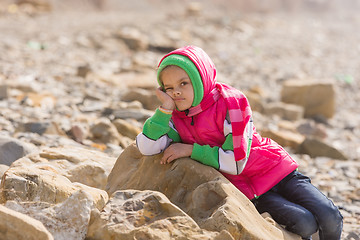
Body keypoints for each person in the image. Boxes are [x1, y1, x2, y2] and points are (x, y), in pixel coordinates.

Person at [136, 45, 343, 240]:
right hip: (250, 192)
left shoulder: (231, 103)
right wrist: (164, 110)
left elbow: (235, 162)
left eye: (183, 83)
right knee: (305, 223)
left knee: (329, 216)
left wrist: (191, 149)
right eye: (169, 88)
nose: (176, 92)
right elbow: (146, 147)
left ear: (201, 79)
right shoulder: (173, 117)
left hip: (277, 171)